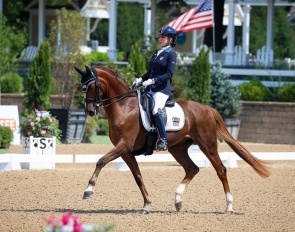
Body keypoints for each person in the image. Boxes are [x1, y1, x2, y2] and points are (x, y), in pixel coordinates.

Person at [132, 26, 177, 151]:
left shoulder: (171, 54)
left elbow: (169, 74)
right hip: (150, 88)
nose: (160, 39)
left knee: (156, 109)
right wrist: (141, 79)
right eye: (160, 37)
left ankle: (163, 139)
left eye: (163, 37)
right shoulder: (157, 53)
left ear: (170, 39)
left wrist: (153, 81)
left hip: (162, 90)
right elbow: (150, 71)